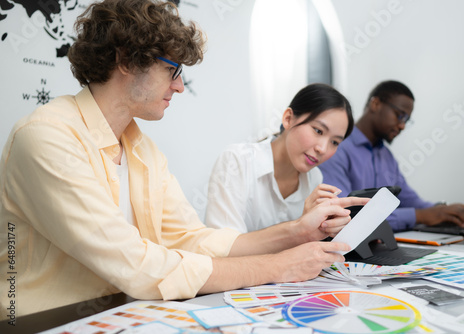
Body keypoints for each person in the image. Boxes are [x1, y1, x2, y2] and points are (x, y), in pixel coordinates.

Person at [0, 0, 369, 319]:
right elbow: (135, 264)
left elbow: (190, 239)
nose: (178, 85)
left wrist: (299, 232)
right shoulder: (46, 137)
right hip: (44, 321)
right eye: (172, 70)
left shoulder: (141, 150)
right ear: (126, 60)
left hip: (123, 313)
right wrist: (277, 266)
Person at [319, 80, 464, 232]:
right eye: (400, 115)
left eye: (407, 120)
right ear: (375, 104)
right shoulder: (338, 148)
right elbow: (345, 214)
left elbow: (409, 200)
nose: (402, 126)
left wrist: (446, 211)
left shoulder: (386, 156)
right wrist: (421, 216)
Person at [205, 83, 354, 233]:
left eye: (334, 142)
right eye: (318, 130)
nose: (322, 149)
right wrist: (299, 228)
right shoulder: (237, 161)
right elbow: (224, 248)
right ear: (288, 119)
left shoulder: (314, 178)